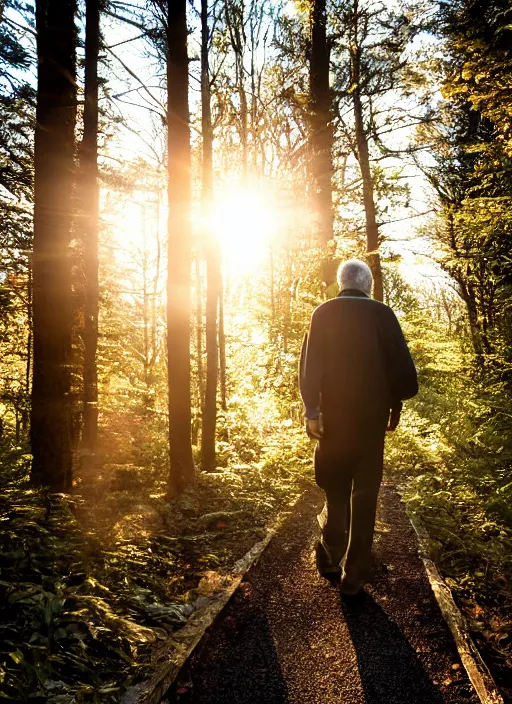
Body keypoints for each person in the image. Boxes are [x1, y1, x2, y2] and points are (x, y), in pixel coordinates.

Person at [299, 259, 418, 595]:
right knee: (365, 494)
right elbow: (404, 374)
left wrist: (312, 411)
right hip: (371, 422)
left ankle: (330, 552)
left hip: (333, 421)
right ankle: (355, 577)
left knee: (335, 488)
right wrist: (395, 401)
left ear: (341, 284)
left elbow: (310, 367)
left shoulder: (322, 314)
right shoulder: (383, 314)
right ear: (367, 285)